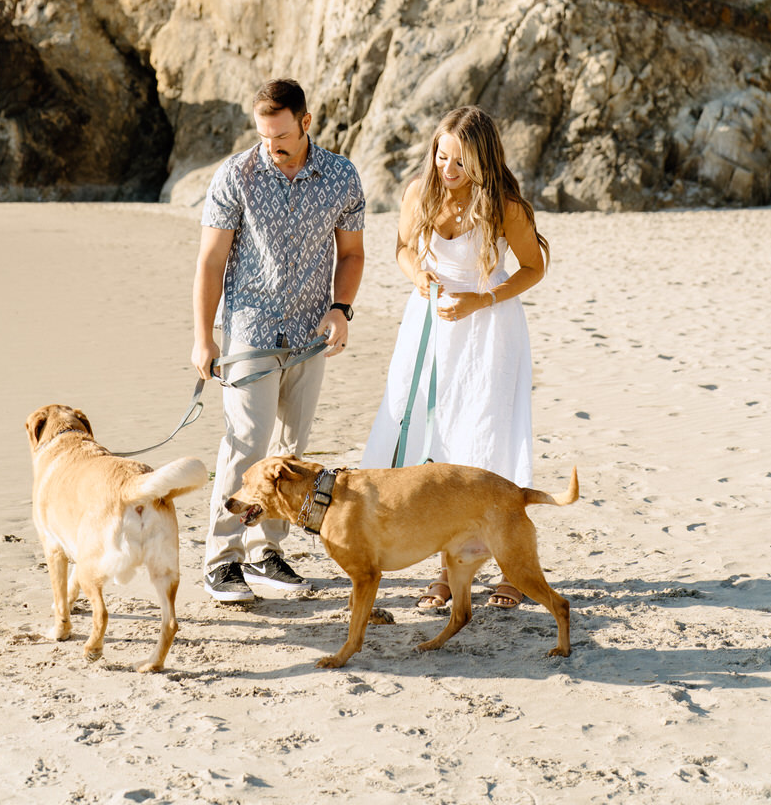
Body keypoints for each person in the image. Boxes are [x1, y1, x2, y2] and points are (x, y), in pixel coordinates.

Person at [361, 105, 549, 610]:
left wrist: (482, 299)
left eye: (460, 162)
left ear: (483, 162)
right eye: (442, 156)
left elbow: (533, 267)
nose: (448, 169)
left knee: (485, 441)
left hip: (488, 329)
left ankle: (510, 569)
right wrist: (417, 277)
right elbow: (402, 247)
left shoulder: (505, 206)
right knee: (432, 439)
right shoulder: (420, 193)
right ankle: (450, 570)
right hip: (428, 327)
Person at [192, 78, 365, 602]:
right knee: (247, 444)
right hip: (250, 332)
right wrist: (203, 338)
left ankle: (267, 552)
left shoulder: (341, 177)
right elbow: (211, 261)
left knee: (291, 452)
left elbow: (352, 254)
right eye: (266, 136)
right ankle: (222, 561)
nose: (273, 146)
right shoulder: (235, 176)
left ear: (306, 123)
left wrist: (341, 308)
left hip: (312, 336)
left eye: (283, 135)